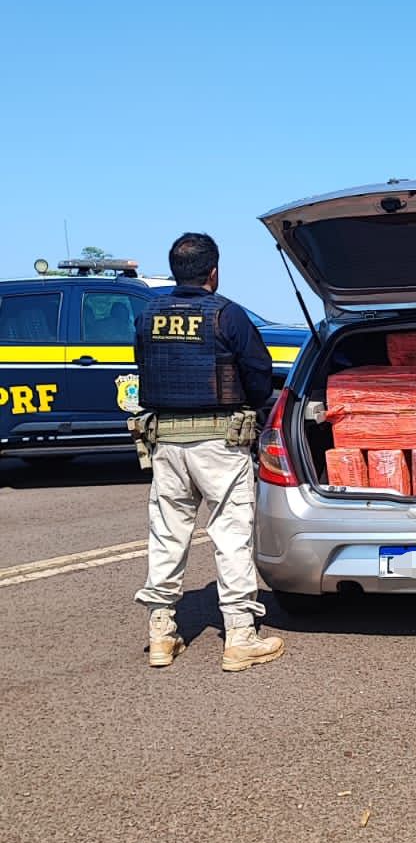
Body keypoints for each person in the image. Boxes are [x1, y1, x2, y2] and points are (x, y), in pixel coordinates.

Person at [133, 232, 286, 673]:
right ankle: (239, 636)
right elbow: (257, 373)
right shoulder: (226, 315)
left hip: (165, 443)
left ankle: (161, 632)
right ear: (213, 272)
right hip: (220, 444)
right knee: (231, 536)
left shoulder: (147, 316)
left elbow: (144, 365)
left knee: (166, 535)